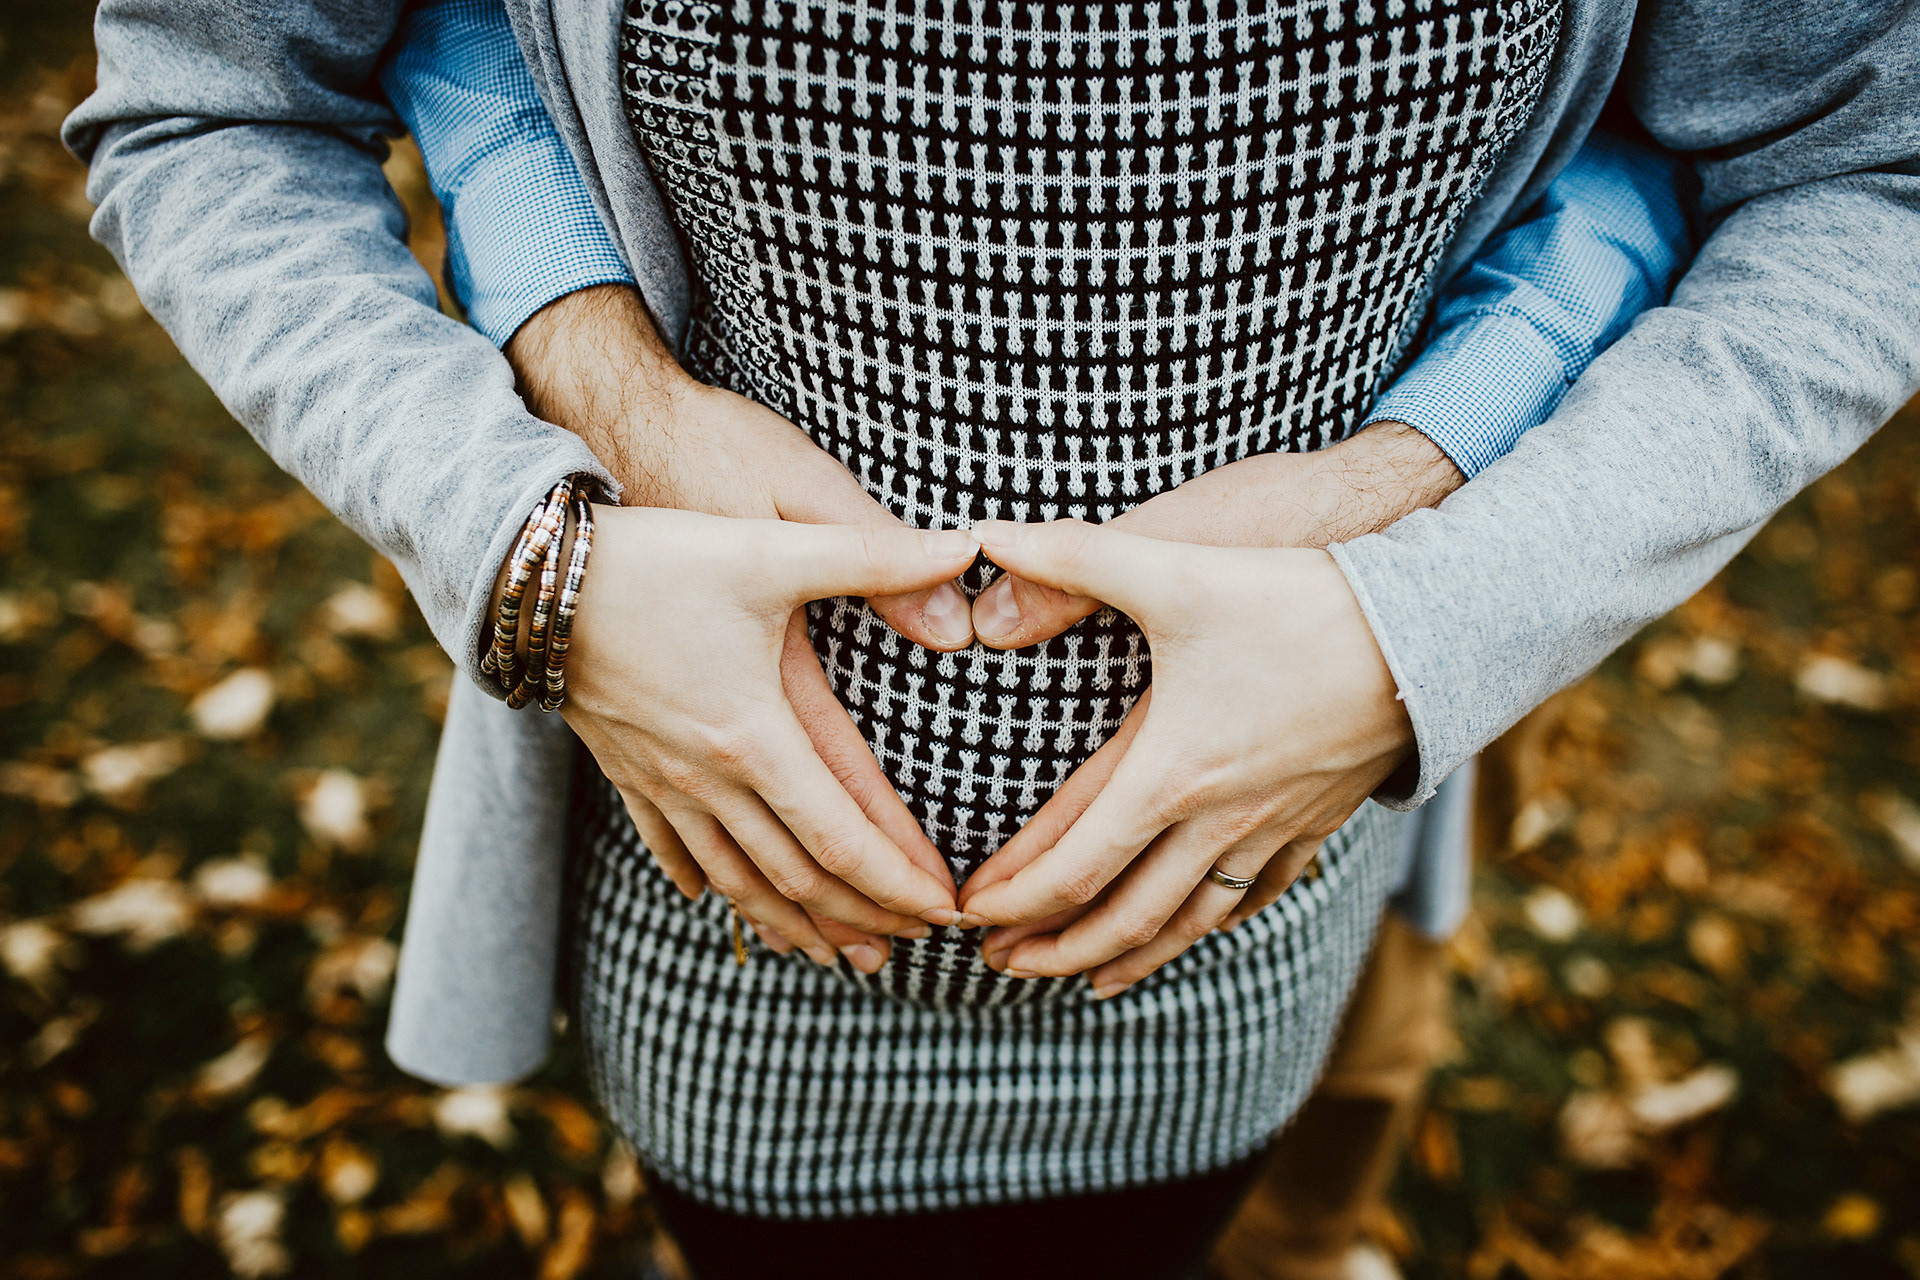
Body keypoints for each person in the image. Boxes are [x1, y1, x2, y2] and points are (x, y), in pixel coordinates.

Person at [64, 2, 1920, 1277]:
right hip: (732, 947)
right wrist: (544, 536)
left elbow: (1836, 155)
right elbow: (234, 87)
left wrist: (1430, 606)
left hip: (1240, 932)